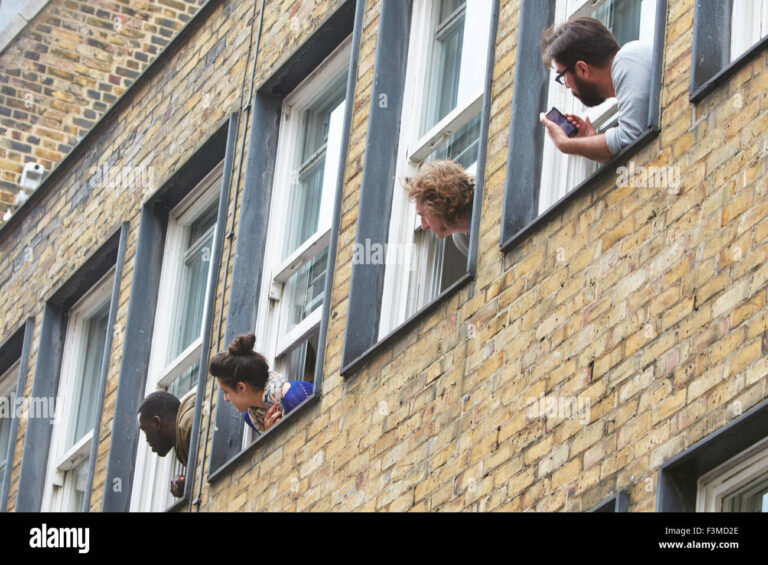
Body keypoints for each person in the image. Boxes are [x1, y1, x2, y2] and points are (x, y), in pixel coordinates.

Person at [539, 17, 653, 163]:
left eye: (563, 76)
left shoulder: (626, 58)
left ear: (582, 69)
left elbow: (630, 138)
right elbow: (634, 156)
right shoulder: (629, 67)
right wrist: (591, 141)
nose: (566, 85)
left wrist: (566, 144)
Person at [209, 333, 314, 434]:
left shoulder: (295, 395)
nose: (226, 399)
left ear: (241, 387)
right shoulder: (252, 417)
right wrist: (269, 437)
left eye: (226, 392)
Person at [404, 159, 474, 256]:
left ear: (438, 204)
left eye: (423, 215)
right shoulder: (460, 239)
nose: (424, 226)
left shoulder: (486, 195)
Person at [137, 389, 195, 497]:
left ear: (156, 422)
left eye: (145, 430)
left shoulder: (188, 424)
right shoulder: (183, 440)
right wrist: (187, 483)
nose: (146, 439)